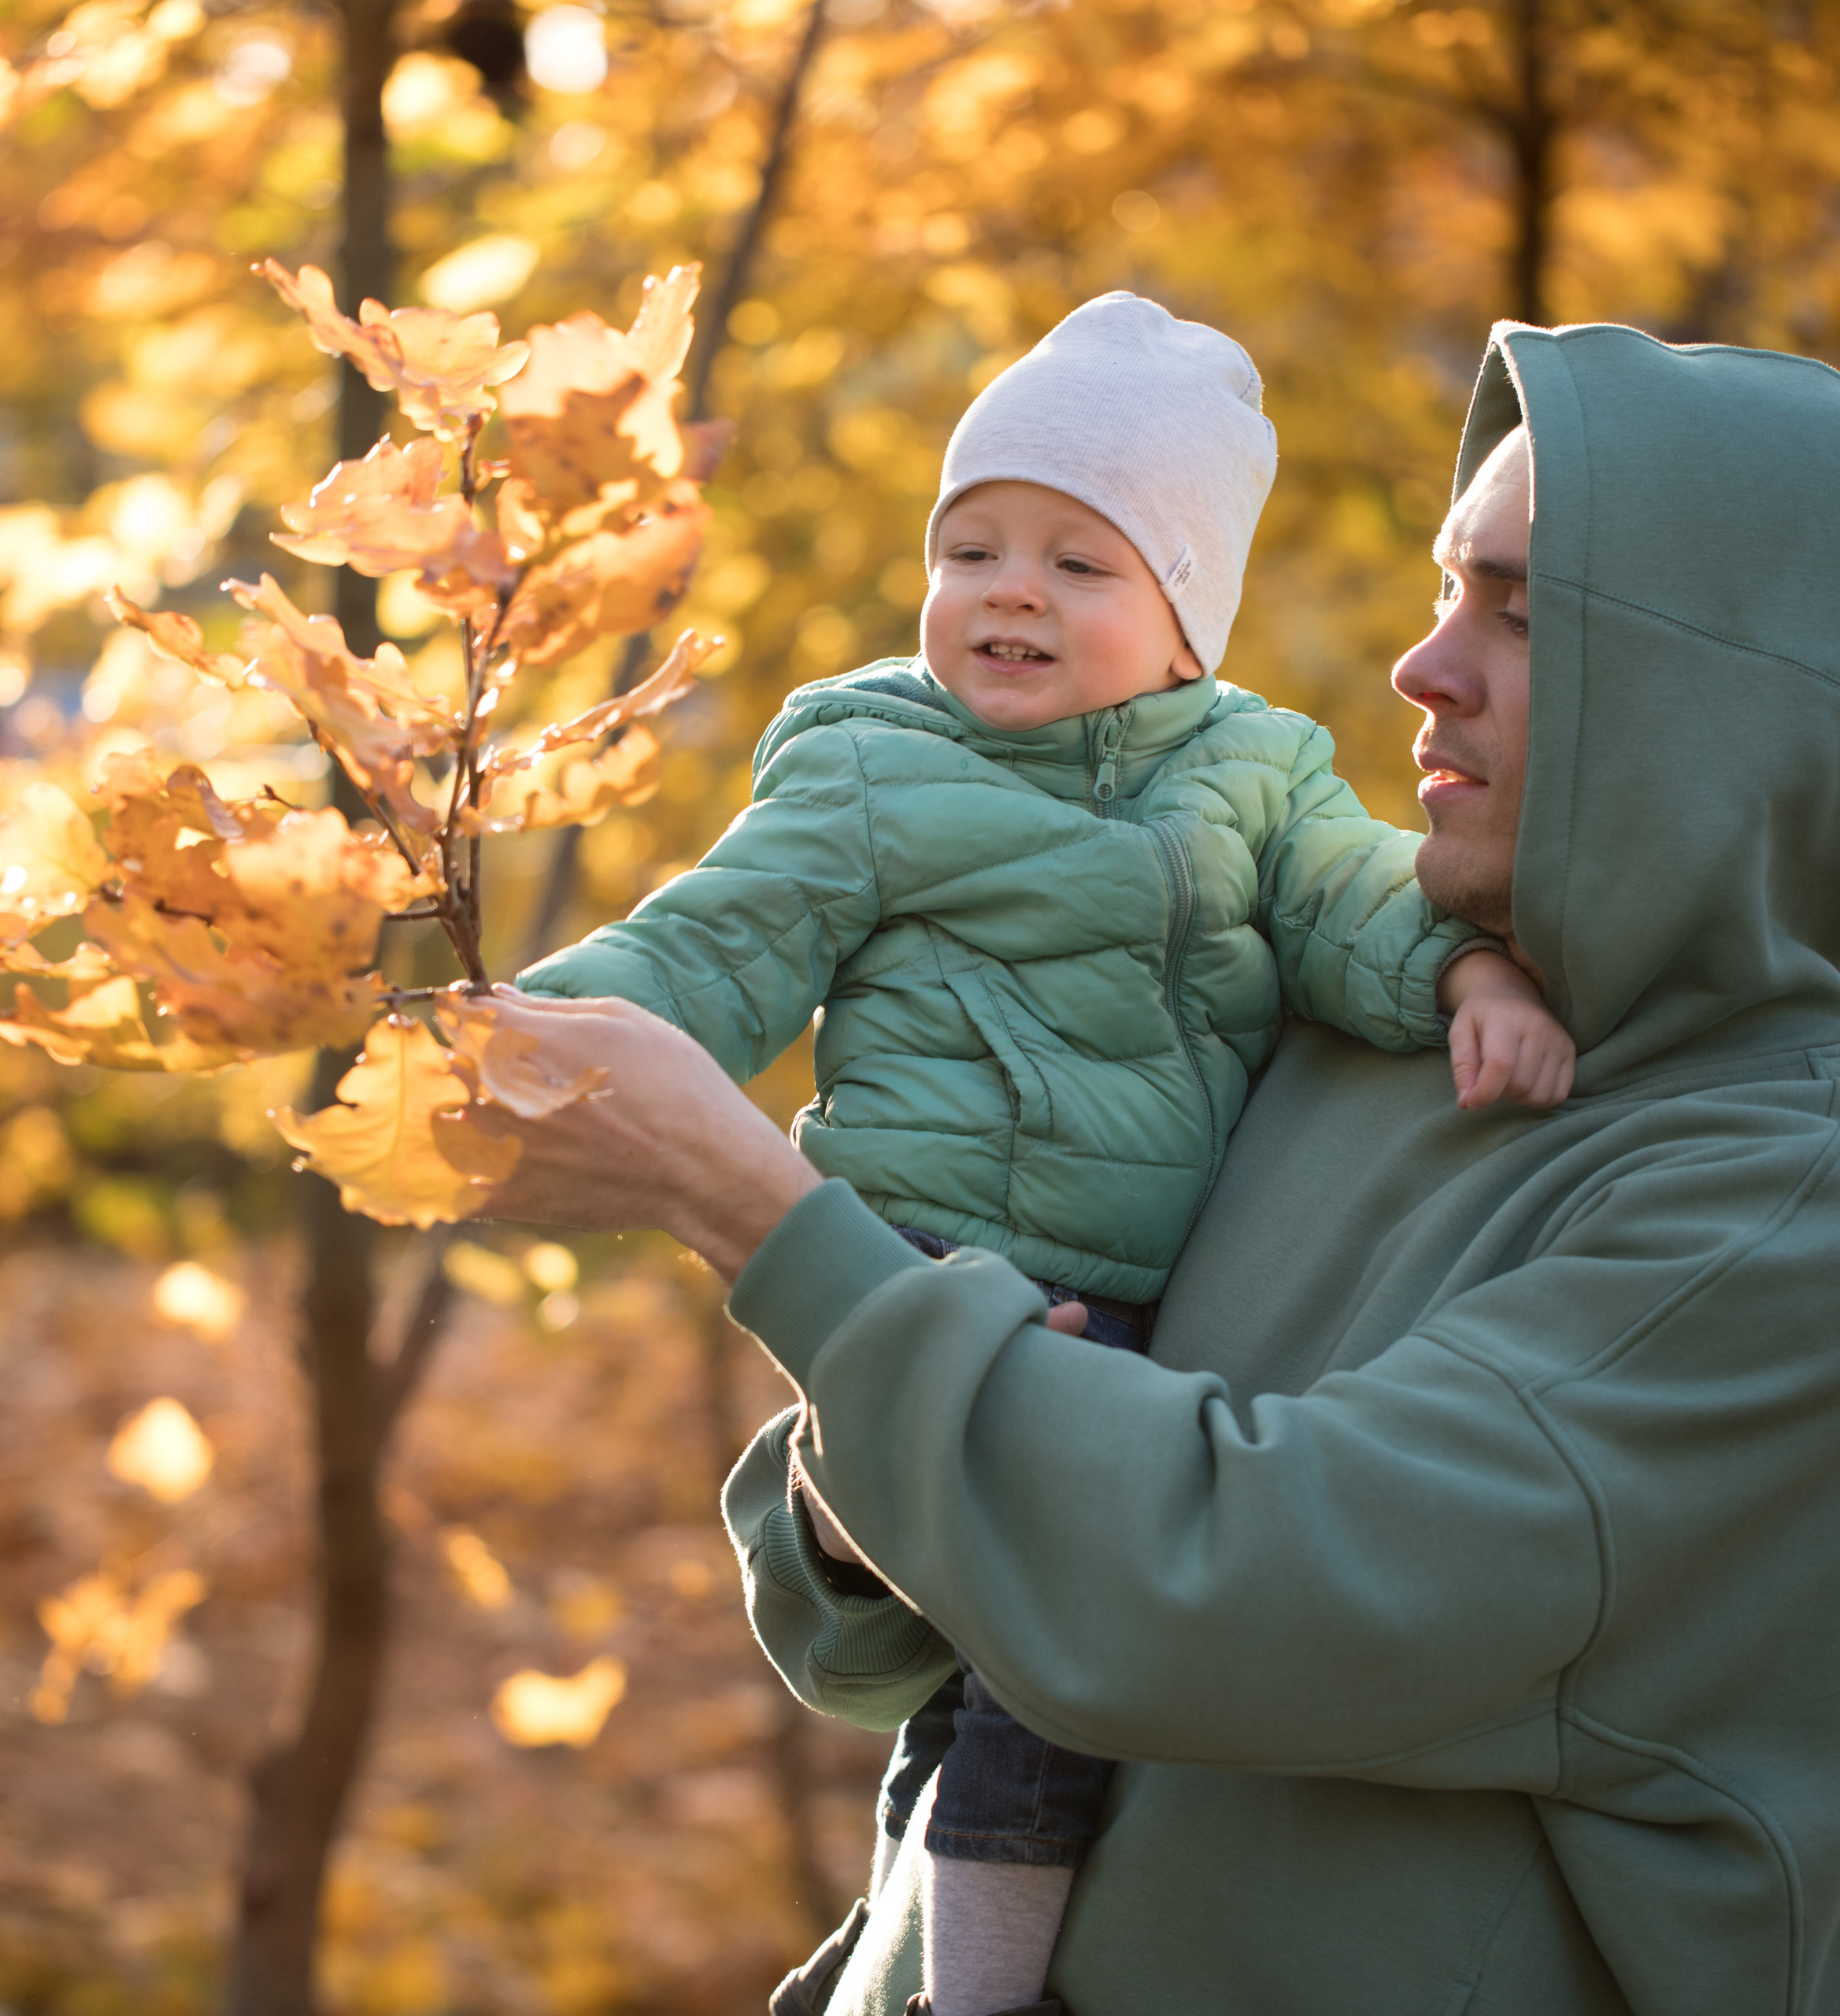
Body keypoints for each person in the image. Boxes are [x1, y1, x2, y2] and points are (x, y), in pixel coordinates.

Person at [474, 316, 1840, 2016]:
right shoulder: (1363, 1006)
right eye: (1438, 590)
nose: (1421, 669)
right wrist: (850, 1500)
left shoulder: (1781, 1214)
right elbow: (863, 1633)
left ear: (1733, 700)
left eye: (1516, 609)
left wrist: (747, 1204)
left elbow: (1233, 1588)